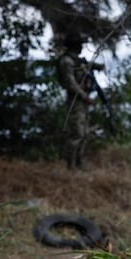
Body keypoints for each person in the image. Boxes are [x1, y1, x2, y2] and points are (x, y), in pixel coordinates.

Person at [56, 32, 103, 170]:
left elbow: (87, 65)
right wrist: (84, 96)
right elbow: (71, 83)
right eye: (80, 45)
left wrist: (98, 67)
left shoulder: (77, 60)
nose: (82, 47)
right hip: (75, 101)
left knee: (85, 132)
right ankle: (71, 165)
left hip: (82, 100)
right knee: (77, 133)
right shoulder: (67, 61)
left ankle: (79, 162)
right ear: (75, 46)